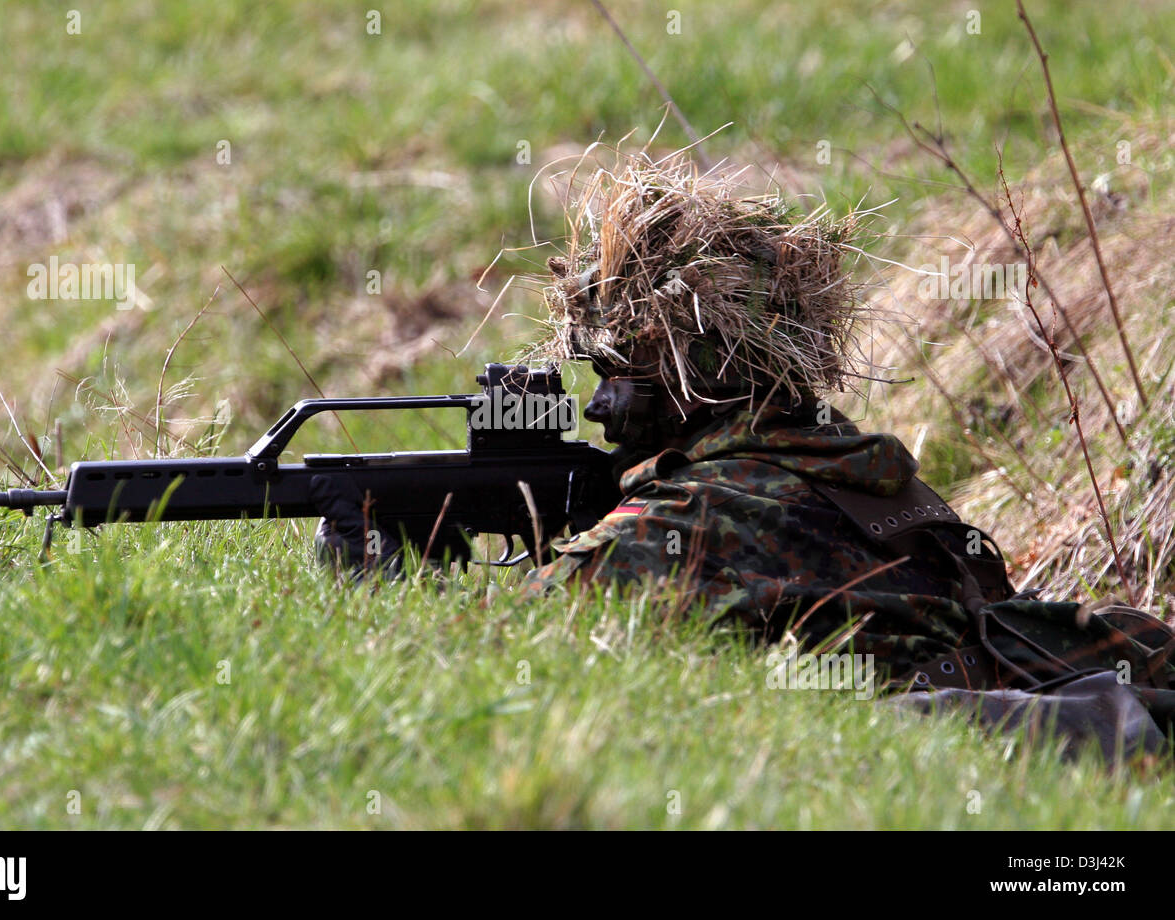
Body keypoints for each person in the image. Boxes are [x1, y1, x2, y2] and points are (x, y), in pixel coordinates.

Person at [313, 150, 1175, 764]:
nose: (600, 405)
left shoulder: (691, 515)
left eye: (619, 372)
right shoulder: (854, 462)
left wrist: (386, 584)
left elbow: (491, 672)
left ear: (698, 373)